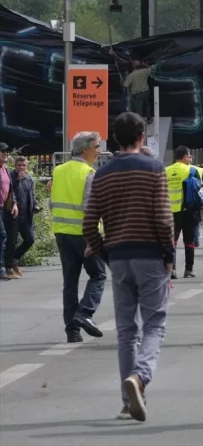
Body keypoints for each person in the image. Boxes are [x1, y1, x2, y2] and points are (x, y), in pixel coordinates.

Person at [82, 112, 174, 421]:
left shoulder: (102, 174)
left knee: (125, 331)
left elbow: (89, 224)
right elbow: (163, 218)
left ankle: (127, 401)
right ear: (140, 137)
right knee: (155, 323)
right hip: (150, 256)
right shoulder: (154, 169)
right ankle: (141, 376)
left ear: (117, 138)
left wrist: (105, 253)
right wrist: (169, 255)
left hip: (118, 257)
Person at [50, 131, 107, 342]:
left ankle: (72, 331)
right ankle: (84, 313)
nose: (99, 150)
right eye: (97, 146)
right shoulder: (89, 173)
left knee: (70, 282)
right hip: (83, 234)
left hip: (61, 232)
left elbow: (52, 201)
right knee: (99, 275)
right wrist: (94, 237)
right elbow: (89, 207)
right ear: (85, 149)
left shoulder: (59, 170)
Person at [165, 146, 203, 279]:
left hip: (170, 212)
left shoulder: (165, 171)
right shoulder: (193, 170)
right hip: (188, 211)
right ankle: (188, 270)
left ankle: (172, 270)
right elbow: (200, 191)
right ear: (186, 156)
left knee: (171, 242)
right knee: (189, 241)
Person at [5, 156, 36, 278]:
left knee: (30, 239)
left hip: (26, 214)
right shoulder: (11, 177)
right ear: (15, 166)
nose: (22, 168)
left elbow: (31, 195)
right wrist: (18, 179)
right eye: (19, 165)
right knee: (11, 241)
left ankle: (14, 259)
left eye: (24, 165)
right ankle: (9, 268)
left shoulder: (28, 178)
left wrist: (35, 205)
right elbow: (10, 193)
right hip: (13, 214)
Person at [0, 142, 13, 282]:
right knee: (2, 234)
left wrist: (13, 203)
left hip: (4, 207)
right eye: (2, 151)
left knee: (4, 235)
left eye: (6, 151)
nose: (5, 153)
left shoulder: (5, 169)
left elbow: (10, 189)